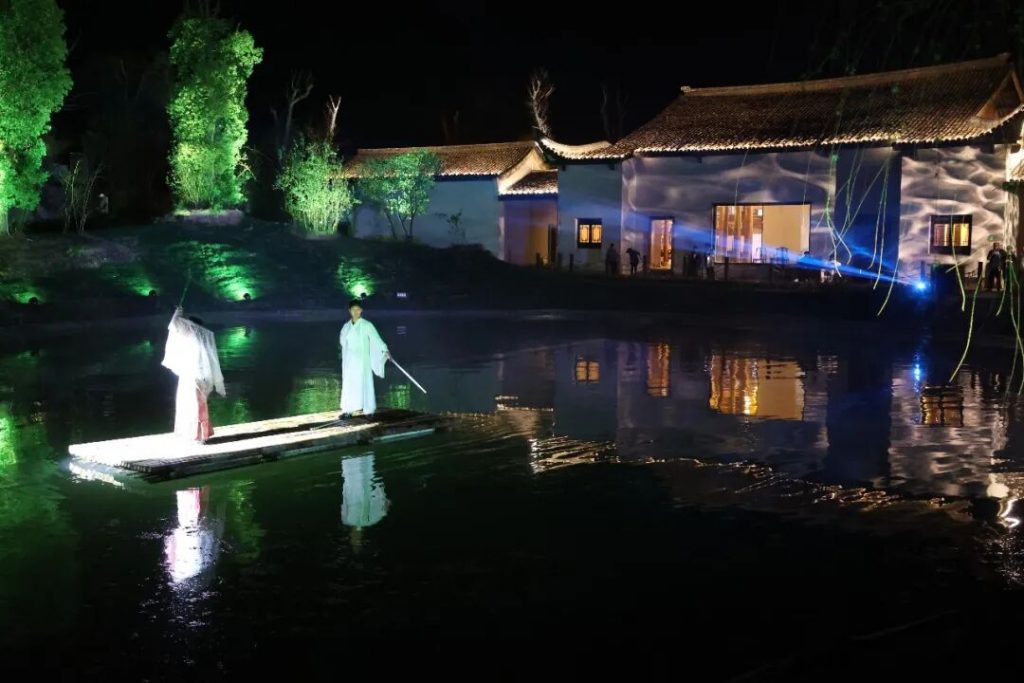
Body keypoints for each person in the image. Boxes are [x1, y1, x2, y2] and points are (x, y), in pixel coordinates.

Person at [162, 306, 225, 443]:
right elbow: (174, 326)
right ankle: (197, 434)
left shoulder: (194, 340)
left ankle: (198, 435)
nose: (185, 328)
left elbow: (173, 325)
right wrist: (178, 313)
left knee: (194, 405)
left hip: (194, 376)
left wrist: (178, 313)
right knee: (193, 404)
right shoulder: (197, 339)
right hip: (195, 376)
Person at [339, 299, 390, 417]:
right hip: (349, 361)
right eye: (353, 310)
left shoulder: (367, 325)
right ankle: (348, 410)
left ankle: (369, 410)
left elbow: (376, 338)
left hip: (362, 360)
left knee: (365, 383)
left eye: (358, 309)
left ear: (361, 310)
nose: (356, 312)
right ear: (349, 311)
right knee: (349, 383)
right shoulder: (346, 327)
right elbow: (342, 342)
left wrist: (384, 349)